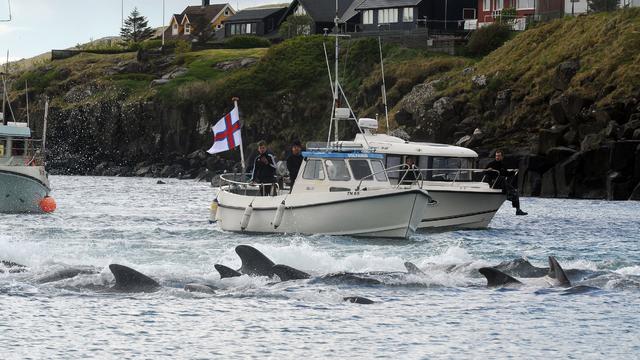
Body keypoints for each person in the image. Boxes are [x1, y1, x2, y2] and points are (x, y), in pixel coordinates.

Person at [485, 150, 527, 215]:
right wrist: (489, 170)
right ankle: (508, 195)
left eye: (499, 156)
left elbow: (506, 174)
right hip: (494, 183)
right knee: (502, 179)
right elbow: (485, 172)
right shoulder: (491, 164)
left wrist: (513, 171)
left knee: (515, 192)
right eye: (496, 156)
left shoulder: (503, 165)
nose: (497, 157)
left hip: (502, 183)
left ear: (502, 157)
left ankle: (518, 210)